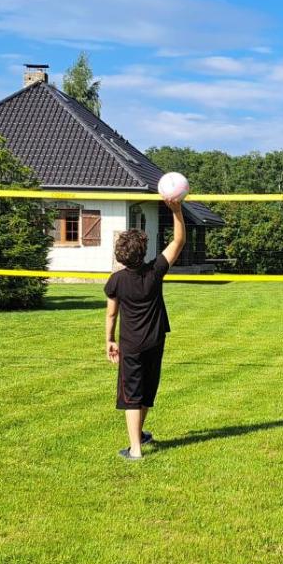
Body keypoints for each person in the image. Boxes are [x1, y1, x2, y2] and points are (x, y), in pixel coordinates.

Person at [104, 196, 186, 460]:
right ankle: (138, 438)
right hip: (155, 341)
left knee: (132, 395)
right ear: (143, 251)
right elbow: (178, 241)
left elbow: (111, 314)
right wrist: (176, 210)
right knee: (147, 390)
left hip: (131, 345)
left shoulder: (116, 280)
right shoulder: (155, 271)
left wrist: (109, 340)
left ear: (120, 255)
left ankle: (136, 449)